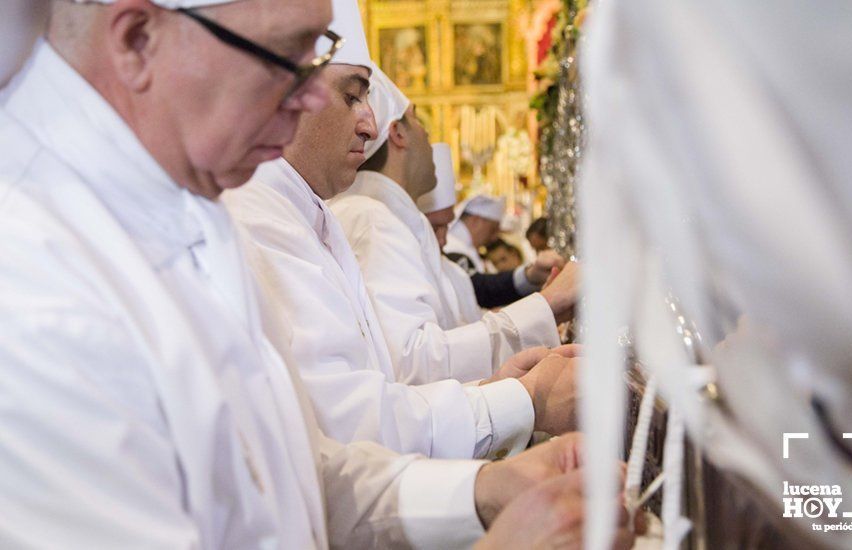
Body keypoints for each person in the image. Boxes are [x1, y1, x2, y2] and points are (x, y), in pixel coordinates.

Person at [0, 1, 637, 548]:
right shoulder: (38, 284)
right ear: (138, 40)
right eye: (287, 56)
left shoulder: (191, 203)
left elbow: (288, 473)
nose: (310, 98)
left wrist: (482, 491)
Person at [224, 0, 577, 461]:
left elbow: (376, 389)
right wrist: (522, 394)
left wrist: (496, 389)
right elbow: (359, 417)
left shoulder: (312, 212)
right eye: (353, 97)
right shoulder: (339, 216)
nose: (368, 123)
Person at [329, 66, 577, 385]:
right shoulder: (372, 219)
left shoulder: (387, 219)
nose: (428, 137)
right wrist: (547, 306)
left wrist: (541, 313)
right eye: (418, 120)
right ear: (398, 133)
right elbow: (412, 365)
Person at [419, 149, 569, 310]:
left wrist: (530, 275)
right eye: (435, 229)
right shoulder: (453, 252)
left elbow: (480, 288)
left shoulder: (448, 260)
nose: (444, 239)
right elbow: (482, 290)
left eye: (446, 227)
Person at [445, 193, 505, 275]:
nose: (494, 238)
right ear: (476, 221)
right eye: (492, 230)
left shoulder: (466, 247)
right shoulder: (454, 249)